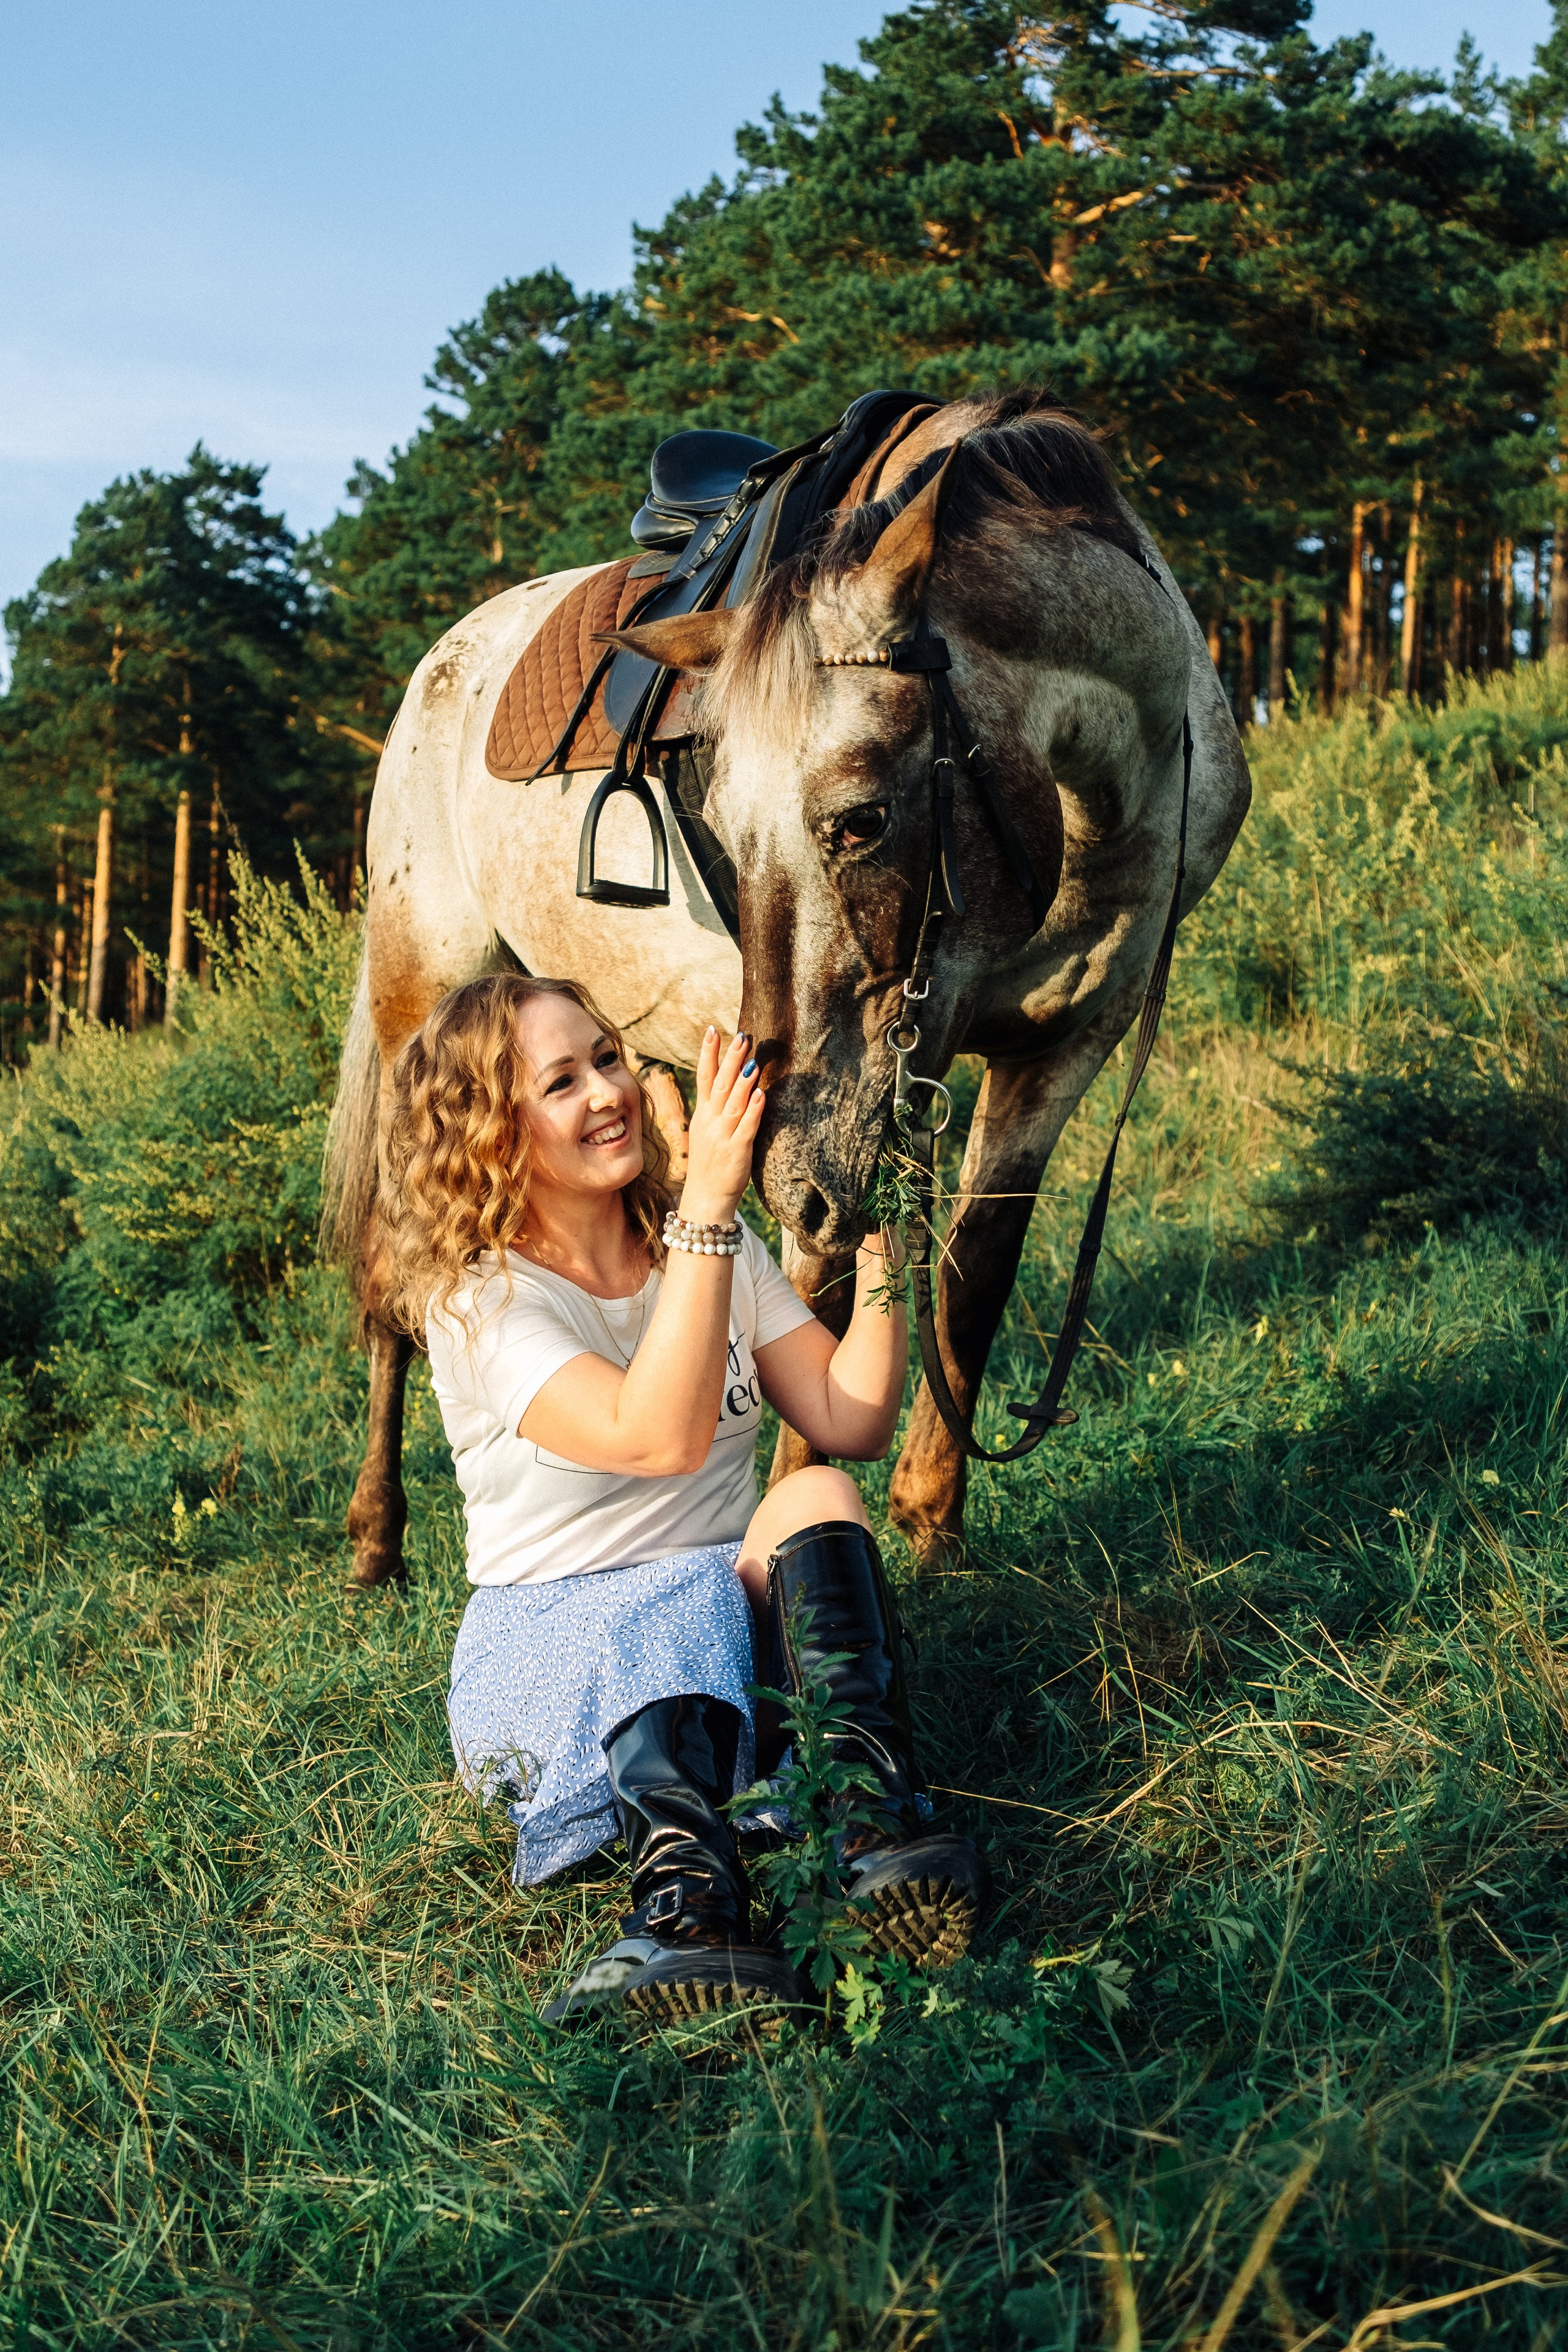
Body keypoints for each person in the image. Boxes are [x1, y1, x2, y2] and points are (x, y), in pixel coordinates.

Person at [384, 973, 986, 2024]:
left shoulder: (701, 1246)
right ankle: (684, 1917)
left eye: (608, 1058)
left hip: (716, 1617)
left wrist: (888, 1239)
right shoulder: (481, 1297)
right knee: (679, 1599)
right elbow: (653, 1438)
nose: (606, 1092)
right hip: (559, 1653)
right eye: (561, 1081)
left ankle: (866, 1834)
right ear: (491, 1127)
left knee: (820, 1496)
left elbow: (851, 1416)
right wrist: (707, 1205)